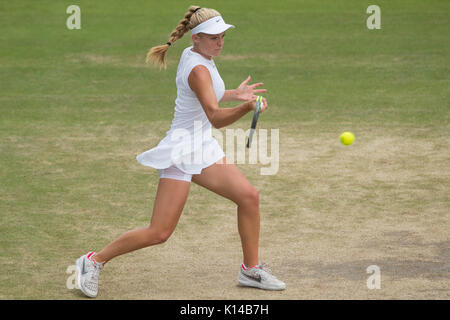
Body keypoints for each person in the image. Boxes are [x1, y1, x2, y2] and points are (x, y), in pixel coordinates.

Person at [75, 5, 285, 298]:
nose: (220, 42)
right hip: (182, 150)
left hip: (202, 146)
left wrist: (233, 94)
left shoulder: (198, 55)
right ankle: (92, 261)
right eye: (213, 37)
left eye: (222, 36)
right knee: (159, 232)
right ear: (196, 37)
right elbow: (214, 117)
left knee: (249, 197)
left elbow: (207, 94)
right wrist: (245, 107)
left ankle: (250, 270)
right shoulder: (198, 67)